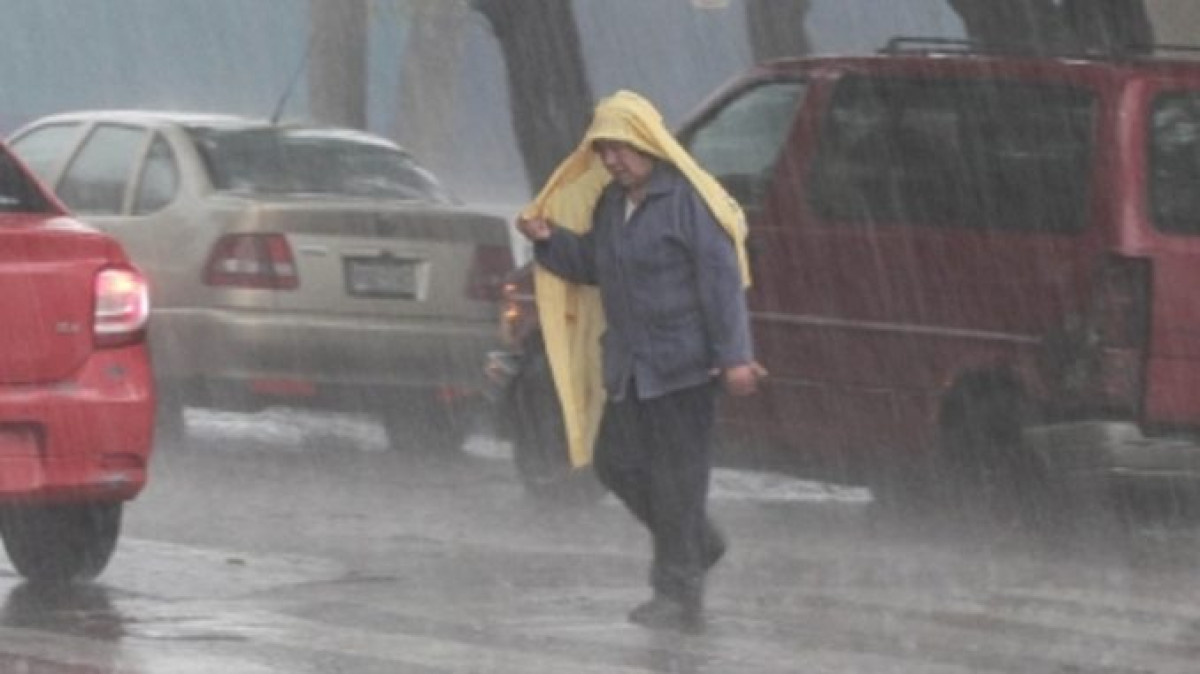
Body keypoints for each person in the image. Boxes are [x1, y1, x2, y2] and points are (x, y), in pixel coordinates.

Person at [514, 91, 764, 633]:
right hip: (630, 367)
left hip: (685, 367)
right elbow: (595, 265)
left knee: (678, 484)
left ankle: (677, 593)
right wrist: (549, 240)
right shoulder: (610, 205)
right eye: (603, 152)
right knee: (615, 463)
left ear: (648, 142)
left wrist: (735, 356)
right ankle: (698, 542)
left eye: (621, 149)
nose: (612, 161)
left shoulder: (688, 202)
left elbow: (721, 284)